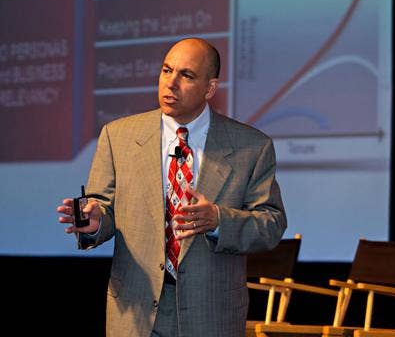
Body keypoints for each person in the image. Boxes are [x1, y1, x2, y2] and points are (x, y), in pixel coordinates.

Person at [57, 37, 287, 337]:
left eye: (186, 75)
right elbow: (104, 206)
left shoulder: (251, 146)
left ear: (210, 88)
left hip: (211, 313)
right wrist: (96, 221)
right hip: (136, 311)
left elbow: (271, 224)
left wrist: (219, 220)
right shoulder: (119, 136)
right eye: (166, 71)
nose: (171, 83)